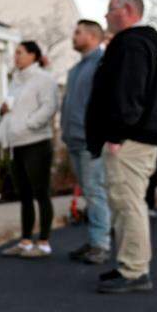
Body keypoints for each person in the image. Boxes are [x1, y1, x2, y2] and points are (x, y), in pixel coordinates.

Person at [85, 0, 157, 294]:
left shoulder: (131, 45)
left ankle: (134, 271)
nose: (105, 16)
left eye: (110, 9)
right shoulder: (135, 45)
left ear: (127, 10)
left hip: (130, 141)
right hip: (132, 138)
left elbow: (129, 93)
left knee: (128, 203)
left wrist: (117, 134)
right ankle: (129, 264)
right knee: (123, 204)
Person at [0, 41, 60, 259]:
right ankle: (25, 242)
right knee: (24, 194)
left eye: (20, 53)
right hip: (15, 144)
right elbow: (13, 108)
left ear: (33, 56)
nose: (15, 56)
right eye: (15, 53)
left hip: (36, 142)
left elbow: (49, 107)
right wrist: (3, 111)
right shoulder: (16, 80)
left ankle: (43, 243)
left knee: (40, 193)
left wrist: (28, 125)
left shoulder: (44, 79)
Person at [59, 20, 110, 264]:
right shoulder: (76, 69)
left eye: (78, 32)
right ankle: (93, 240)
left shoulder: (101, 65)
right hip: (74, 139)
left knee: (95, 190)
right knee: (89, 192)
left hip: (91, 142)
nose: (74, 36)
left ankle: (101, 244)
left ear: (92, 36)